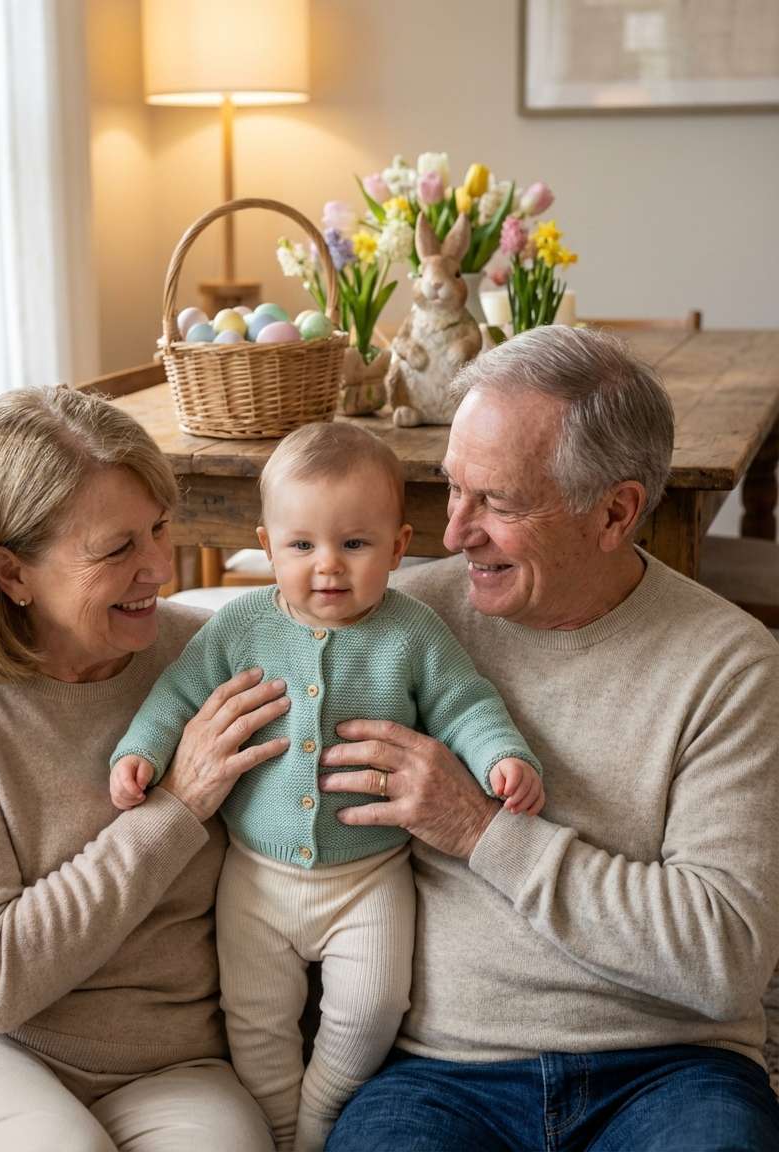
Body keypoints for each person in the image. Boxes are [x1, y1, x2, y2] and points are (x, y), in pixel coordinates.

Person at [319, 325, 779, 1152]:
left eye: (496, 502)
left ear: (615, 512)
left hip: (670, 1069)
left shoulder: (729, 666)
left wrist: (483, 832)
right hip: (441, 1071)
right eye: (452, 489)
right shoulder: (402, 625)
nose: (455, 532)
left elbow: (724, 954)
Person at [0, 385, 292, 1152]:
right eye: (117, 549)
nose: (160, 565)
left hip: (165, 1059)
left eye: (158, 528)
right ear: (11, 574)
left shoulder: (211, 656)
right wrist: (175, 808)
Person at [108, 421, 544, 1151]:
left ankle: (319, 1116)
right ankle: (278, 1126)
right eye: (302, 546)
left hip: (368, 876)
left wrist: (502, 754)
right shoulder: (239, 627)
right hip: (256, 878)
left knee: (375, 1007)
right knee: (254, 1017)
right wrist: (141, 752)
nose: (328, 568)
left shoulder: (413, 633)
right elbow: (178, 697)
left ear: (400, 547)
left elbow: (465, 702)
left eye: (355, 544)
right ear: (268, 545)